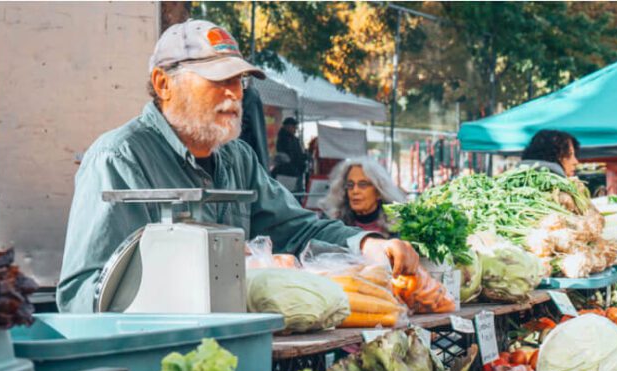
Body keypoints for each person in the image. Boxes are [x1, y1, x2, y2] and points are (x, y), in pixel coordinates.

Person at [57, 20, 417, 312]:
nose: (235, 93)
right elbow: (82, 296)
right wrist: (211, 271)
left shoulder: (237, 157)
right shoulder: (119, 158)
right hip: (163, 357)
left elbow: (295, 229)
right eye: (218, 80)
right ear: (164, 84)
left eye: (238, 80)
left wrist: (365, 243)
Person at [318, 157, 406, 236]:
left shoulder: (400, 225)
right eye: (350, 185)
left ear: (379, 192)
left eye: (363, 185)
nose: (355, 191)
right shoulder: (332, 223)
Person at [272, 117, 308, 191]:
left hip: (294, 170)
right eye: (293, 127)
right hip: (289, 172)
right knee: (291, 192)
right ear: (287, 126)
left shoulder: (292, 138)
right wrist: (302, 157)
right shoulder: (285, 139)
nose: (295, 129)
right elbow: (292, 155)